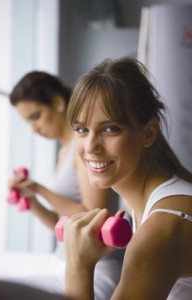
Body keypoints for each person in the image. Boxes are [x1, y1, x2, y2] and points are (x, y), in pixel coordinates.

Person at [62, 57, 192, 300]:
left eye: (110, 129)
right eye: (82, 129)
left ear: (149, 133)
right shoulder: (160, 203)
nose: (91, 147)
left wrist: (77, 266)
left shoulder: (158, 232)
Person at [0, 71, 124, 300]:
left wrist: (39, 189)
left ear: (57, 103)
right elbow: (60, 224)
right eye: (27, 121)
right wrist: (33, 201)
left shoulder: (82, 148)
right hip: (64, 264)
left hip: (94, 273)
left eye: (35, 116)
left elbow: (94, 215)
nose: (33, 128)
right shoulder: (64, 150)